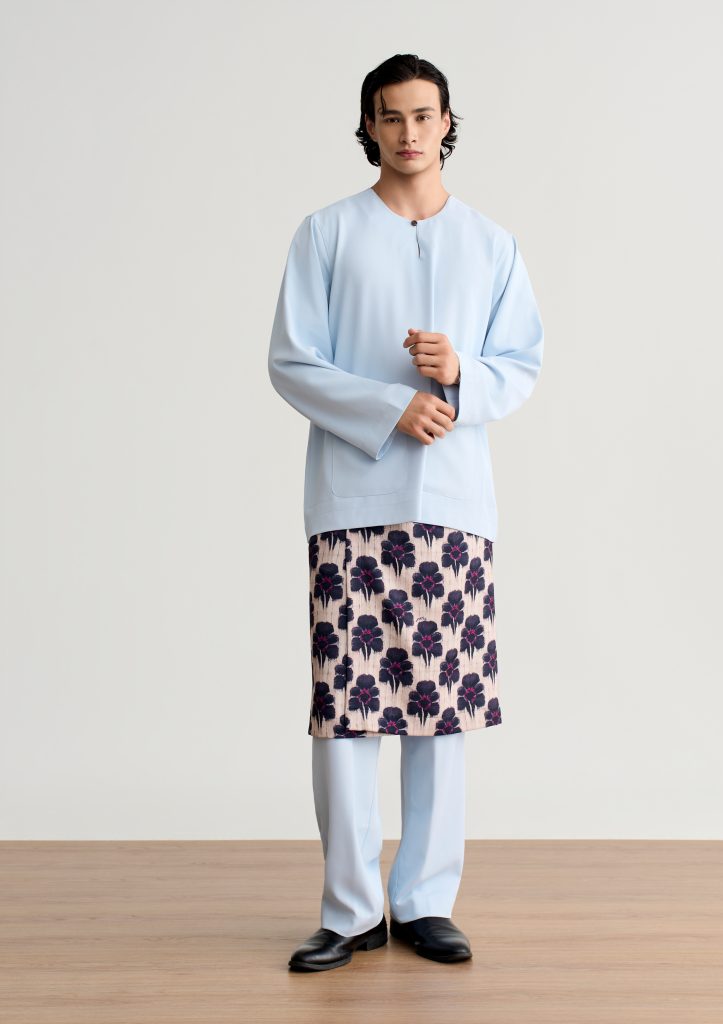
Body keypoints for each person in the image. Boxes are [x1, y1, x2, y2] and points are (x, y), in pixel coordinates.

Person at [267, 53, 544, 971]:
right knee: (346, 712)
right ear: (369, 128)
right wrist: (392, 406)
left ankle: (425, 902)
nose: (408, 131)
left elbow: (522, 362)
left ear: (447, 122)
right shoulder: (326, 233)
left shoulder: (491, 244)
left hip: (454, 506)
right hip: (352, 501)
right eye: (389, 116)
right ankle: (349, 910)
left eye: (423, 115)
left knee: (441, 709)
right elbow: (292, 361)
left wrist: (460, 377)